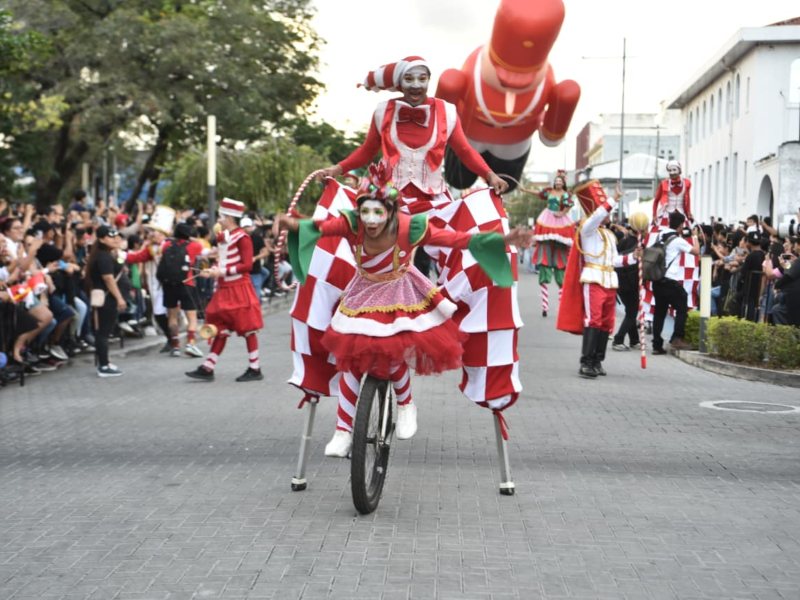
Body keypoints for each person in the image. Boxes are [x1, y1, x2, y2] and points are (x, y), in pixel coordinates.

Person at [292, 56, 521, 432]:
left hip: (432, 204)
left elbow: (464, 151)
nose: (417, 84)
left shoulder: (447, 111)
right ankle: (329, 335)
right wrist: (339, 170)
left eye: (423, 78)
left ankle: (459, 325)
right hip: (385, 203)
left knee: (474, 247)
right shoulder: (383, 111)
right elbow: (367, 152)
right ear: (399, 83)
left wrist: (490, 174)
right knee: (333, 242)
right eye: (410, 79)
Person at [274, 164, 530, 457]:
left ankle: (406, 405)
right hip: (363, 292)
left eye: (378, 213)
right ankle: (343, 430)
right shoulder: (352, 224)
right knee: (351, 360)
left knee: (392, 350)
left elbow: (455, 240)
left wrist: (502, 240)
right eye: (365, 212)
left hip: (401, 291)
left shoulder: (409, 228)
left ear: (391, 212)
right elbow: (319, 229)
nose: (370, 221)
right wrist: (289, 224)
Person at [556, 182, 639, 378]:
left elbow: (614, 261)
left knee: (606, 322)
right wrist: (612, 199)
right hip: (594, 280)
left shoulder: (609, 235)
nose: (609, 214)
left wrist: (634, 257)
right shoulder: (587, 229)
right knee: (593, 320)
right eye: (605, 211)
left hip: (610, 280)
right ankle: (586, 362)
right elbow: (597, 216)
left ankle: (597, 360)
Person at [186, 198, 264, 382]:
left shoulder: (243, 237)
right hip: (224, 287)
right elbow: (223, 261)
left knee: (248, 328)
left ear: (229, 217)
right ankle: (208, 367)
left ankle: (255, 368)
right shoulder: (226, 236)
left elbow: (247, 265)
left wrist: (222, 271)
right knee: (218, 327)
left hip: (239, 287)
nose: (218, 220)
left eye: (221, 216)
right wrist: (213, 271)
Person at [650, 211, 700, 355]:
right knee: (682, 304)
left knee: (659, 312)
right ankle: (677, 338)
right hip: (670, 281)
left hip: (658, 280)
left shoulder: (661, 234)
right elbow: (696, 251)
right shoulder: (677, 240)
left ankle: (657, 345)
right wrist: (694, 236)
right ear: (680, 225)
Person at [531, 170, 575, 317]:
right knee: (544, 256)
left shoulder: (566, 194)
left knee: (561, 262)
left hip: (559, 219)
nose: (558, 183)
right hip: (547, 217)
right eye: (556, 181)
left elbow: (569, 205)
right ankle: (545, 305)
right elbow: (537, 193)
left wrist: (562, 213)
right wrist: (524, 189)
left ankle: (561, 305)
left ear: (563, 183)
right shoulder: (549, 192)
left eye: (560, 181)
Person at [159, 222, 204, 358]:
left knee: (172, 315)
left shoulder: (166, 245)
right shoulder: (194, 246)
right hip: (187, 283)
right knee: (192, 316)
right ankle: (191, 343)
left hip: (169, 284)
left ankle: (175, 345)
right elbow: (201, 247)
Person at [86, 225, 127, 377]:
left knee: (105, 331)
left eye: (116, 236)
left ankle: (105, 361)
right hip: (106, 297)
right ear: (102, 239)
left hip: (108, 297)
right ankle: (103, 365)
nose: (115, 239)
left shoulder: (107, 254)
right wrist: (120, 298)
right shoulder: (103, 256)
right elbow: (108, 278)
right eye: (111, 237)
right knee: (103, 332)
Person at [611, 223, 641, 350]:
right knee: (632, 312)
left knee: (630, 310)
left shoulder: (623, 242)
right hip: (632, 283)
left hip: (619, 282)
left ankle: (634, 340)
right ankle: (618, 339)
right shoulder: (640, 246)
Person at [652, 160, 692, 227]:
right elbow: (656, 200)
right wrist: (654, 215)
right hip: (667, 213)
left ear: (679, 171)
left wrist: (688, 212)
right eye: (670, 170)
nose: (672, 172)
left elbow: (688, 200)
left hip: (681, 213)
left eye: (674, 170)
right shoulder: (664, 183)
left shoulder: (687, 183)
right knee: (661, 232)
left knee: (686, 232)